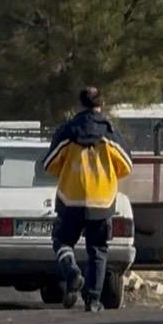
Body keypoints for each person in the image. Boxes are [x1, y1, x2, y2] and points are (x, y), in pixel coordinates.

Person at [42, 86, 133, 311]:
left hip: (70, 198)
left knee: (62, 241)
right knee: (98, 250)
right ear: (101, 105)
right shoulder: (110, 133)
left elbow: (49, 164)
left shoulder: (68, 131)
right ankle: (93, 300)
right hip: (102, 202)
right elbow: (126, 166)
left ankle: (71, 270)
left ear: (79, 105)